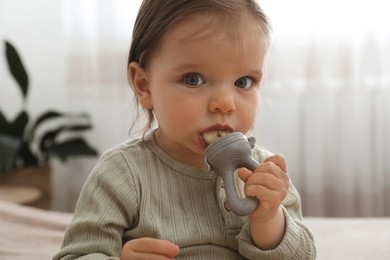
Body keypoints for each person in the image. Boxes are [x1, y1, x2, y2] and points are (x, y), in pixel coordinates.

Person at [54, 0, 316, 259]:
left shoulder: (263, 171)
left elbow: (303, 255)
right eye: (194, 80)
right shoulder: (122, 174)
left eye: (243, 82)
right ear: (145, 86)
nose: (225, 103)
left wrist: (268, 219)